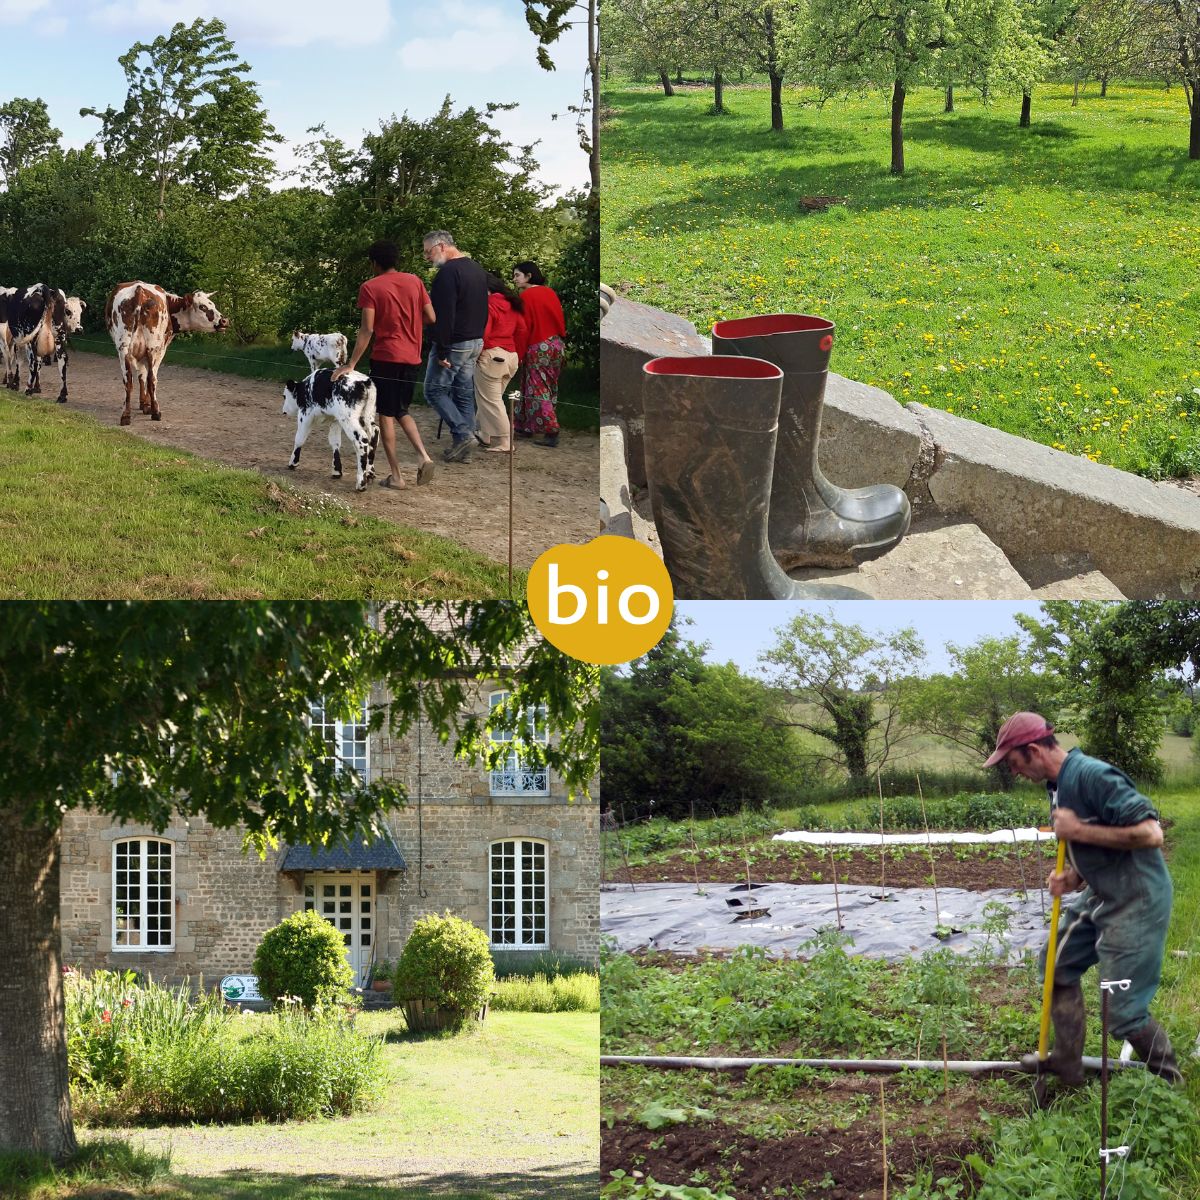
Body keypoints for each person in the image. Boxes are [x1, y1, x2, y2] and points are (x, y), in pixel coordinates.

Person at [985, 712, 1183, 1085]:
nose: (1013, 773)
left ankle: (1169, 1082)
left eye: (1013, 763)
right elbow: (1099, 843)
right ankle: (1067, 1062)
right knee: (1054, 966)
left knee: (1123, 1011)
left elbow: (1150, 833)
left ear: (1032, 751)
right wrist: (1075, 875)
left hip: (1135, 897)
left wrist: (1080, 830)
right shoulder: (1057, 785)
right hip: (1102, 892)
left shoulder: (1093, 775)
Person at [333, 239, 435, 489]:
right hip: (413, 357)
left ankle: (397, 476)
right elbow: (431, 317)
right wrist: (410, 326)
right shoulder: (415, 281)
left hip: (387, 357)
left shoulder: (370, 287)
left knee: (386, 415)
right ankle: (424, 457)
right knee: (402, 410)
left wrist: (351, 363)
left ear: (374, 263)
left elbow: (367, 328)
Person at [422, 231, 488, 464]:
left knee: (433, 391)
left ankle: (463, 435)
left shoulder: (447, 274)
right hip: (475, 341)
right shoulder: (476, 269)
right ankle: (465, 448)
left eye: (428, 251)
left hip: (455, 342)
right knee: (463, 393)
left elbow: (444, 315)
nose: (426, 257)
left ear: (441, 246)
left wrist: (442, 349)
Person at [511, 260, 566, 448]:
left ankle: (551, 430)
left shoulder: (526, 296)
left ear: (529, 275)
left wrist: (518, 353)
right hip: (556, 343)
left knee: (536, 387)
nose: (514, 279)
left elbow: (524, 328)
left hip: (538, 344)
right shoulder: (550, 292)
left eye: (517, 275)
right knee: (545, 385)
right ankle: (524, 425)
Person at [474, 274, 527, 453]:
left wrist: (476, 353)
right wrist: (517, 355)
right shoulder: (513, 304)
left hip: (492, 356)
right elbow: (522, 331)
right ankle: (485, 434)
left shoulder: (489, 304)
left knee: (491, 400)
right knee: (488, 399)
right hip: (511, 357)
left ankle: (506, 442)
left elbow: (484, 333)